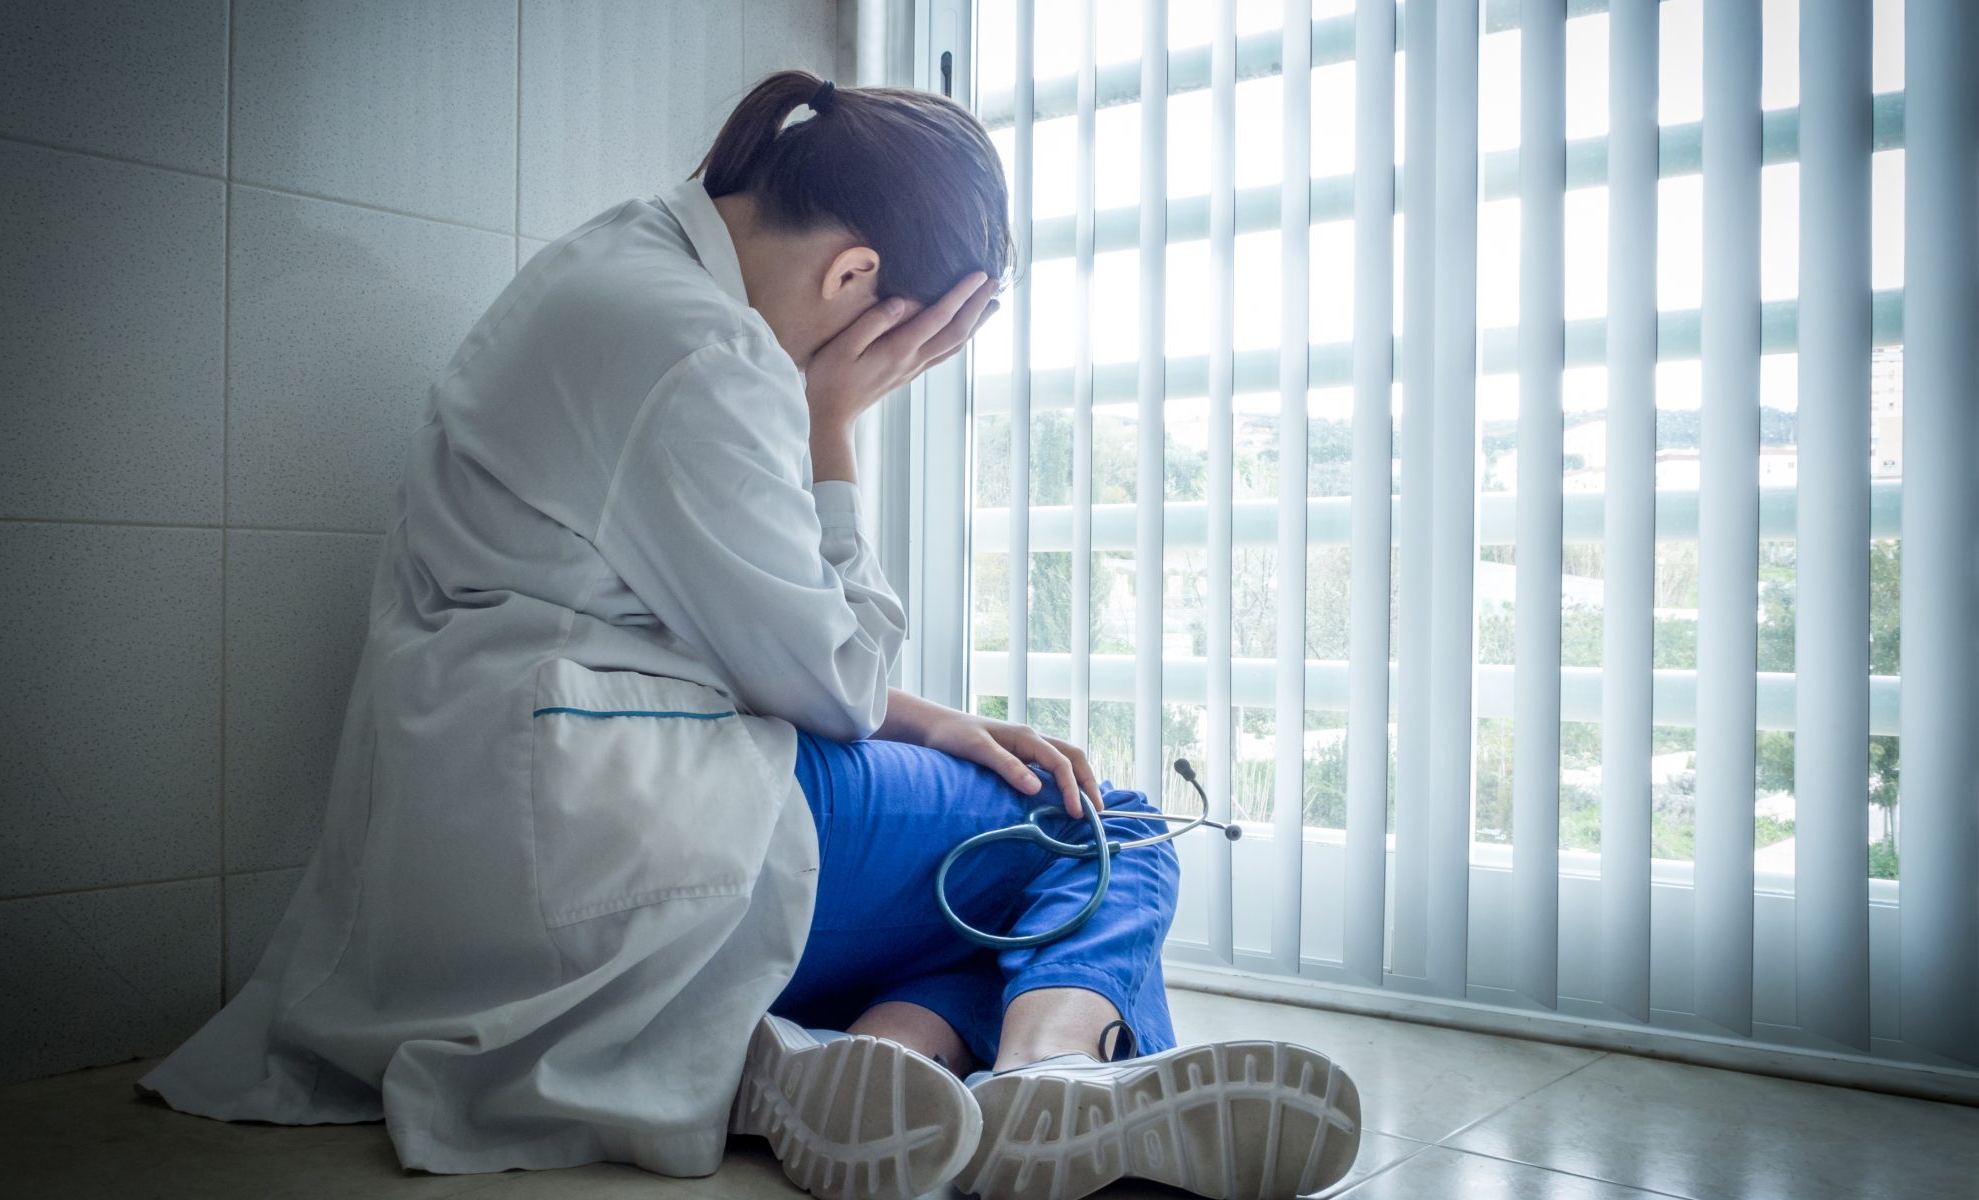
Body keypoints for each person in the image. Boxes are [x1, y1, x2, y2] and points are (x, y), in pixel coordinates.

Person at [134, 70, 1359, 1200]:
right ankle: (1052, 1077)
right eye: (905, 350)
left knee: (975, 906)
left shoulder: (610, 267)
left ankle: (875, 1067)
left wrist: (933, 722)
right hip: (607, 835)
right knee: (1105, 831)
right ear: (852, 281)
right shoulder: (706, 355)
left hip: (500, 827)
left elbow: (741, 633)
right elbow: (834, 678)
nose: (886, 374)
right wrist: (834, 426)